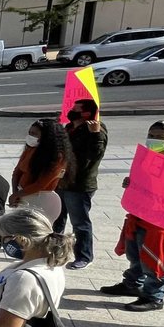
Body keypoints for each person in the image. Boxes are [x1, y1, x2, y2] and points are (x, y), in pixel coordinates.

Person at [101, 119, 164, 312]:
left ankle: (154, 296)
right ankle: (132, 284)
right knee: (135, 254)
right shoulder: (147, 156)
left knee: (156, 259)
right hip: (140, 215)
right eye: (151, 135)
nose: (153, 140)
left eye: (159, 137)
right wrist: (131, 183)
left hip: (162, 222)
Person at [54, 99, 107, 270]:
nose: (71, 111)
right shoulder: (70, 128)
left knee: (79, 222)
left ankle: (84, 256)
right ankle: (55, 249)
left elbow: (96, 155)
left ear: (86, 113)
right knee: (57, 217)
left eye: (76, 109)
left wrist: (96, 135)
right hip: (61, 180)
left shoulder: (96, 129)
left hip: (79, 184)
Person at [10, 118, 72, 221]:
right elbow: (17, 172)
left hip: (41, 199)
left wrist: (17, 195)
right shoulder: (30, 150)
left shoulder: (57, 157)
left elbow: (41, 184)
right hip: (23, 195)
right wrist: (15, 192)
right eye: (30, 133)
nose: (30, 136)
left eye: (34, 134)